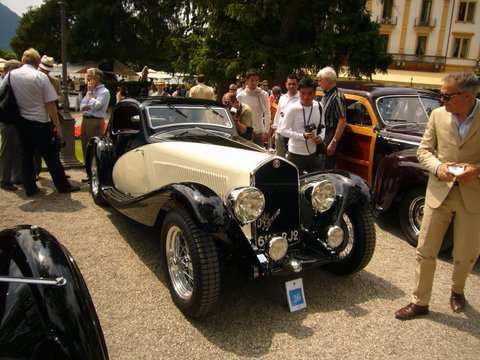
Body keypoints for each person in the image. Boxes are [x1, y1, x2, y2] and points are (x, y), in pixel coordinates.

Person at [395, 72, 480, 320]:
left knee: (466, 253)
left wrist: (476, 170)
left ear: (466, 96)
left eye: (445, 96)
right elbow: (423, 150)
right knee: (425, 250)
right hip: (439, 191)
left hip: (472, 194)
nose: (441, 100)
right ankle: (419, 301)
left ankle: (457, 291)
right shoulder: (437, 115)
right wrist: (437, 167)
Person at [5, 48, 78, 196]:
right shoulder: (40, 77)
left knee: (26, 156)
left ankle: (30, 189)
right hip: (40, 122)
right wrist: (57, 125)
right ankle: (63, 186)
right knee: (51, 156)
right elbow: (50, 104)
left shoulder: (11, 75)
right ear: (37, 62)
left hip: (22, 122)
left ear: (23, 60)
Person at [278, 77, 324, 173]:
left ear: (315, 93)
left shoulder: (319, 106)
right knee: (293, 184)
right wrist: (302, 136)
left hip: (313, 153)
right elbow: (282, 130)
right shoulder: (292, 108)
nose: (306, 97)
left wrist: (321, 137)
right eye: (303, 93)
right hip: (295, 153)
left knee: (315, 184)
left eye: (310, 93)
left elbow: (323, 126)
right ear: (299, 92)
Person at [80, 68, 110, 181]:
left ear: (97, 77)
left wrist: (91, 96)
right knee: (85, 148)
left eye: (89, 76)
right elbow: (82, 106)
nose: (87, 78)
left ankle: (97, 175)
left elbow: (97, 106)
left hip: (95, 121)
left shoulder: (104, 92)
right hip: (86, 120)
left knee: (93, 148)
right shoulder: (90, 90)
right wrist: (91, 100)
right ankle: (89, 174)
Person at [317, 66, 346, 169]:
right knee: (320, 166)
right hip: (324, 134)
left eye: (320, 80)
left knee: (326, 168)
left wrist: (334, 142)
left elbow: (342, 120)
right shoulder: (326, 95)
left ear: (328, 80)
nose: (319, 83)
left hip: (331, 134)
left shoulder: (337, 96)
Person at [0, 60, 22, 191]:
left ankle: (15, 177)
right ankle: (5, 180)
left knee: (14, 150)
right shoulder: (5, 83)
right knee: (7, 151)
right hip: (8, 121)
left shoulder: (6, 82)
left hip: (11, 121)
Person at [237, 69, 271, 147]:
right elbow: (237, 114)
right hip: (245, 132)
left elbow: (267, 113)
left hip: (259, 131)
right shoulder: (240, 96)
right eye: (252, 80)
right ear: (247, 80)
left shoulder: (263, 94)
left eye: (256, 80)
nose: (254, 83)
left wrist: (266, 130)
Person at [273, 75, 299, 158]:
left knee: (291, 159)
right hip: (280, 133)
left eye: (294, 84)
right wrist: (275, 130)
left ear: (297, 85)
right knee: (280, 158)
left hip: (293, 134)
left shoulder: (301, 99)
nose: (291, 86)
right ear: (286, 84)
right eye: (289, 84)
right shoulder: (282, 98)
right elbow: (278, 114)